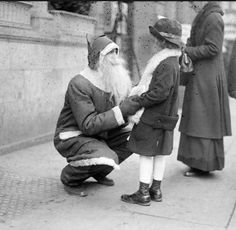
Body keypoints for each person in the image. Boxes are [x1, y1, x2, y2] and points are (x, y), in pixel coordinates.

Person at [53, 34, 141, 196]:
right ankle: (69, 177)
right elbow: (88, 125)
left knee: (136, 137)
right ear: (99, 58)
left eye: (116, 52)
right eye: (110, 54)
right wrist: (122, 111)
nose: (116, 58)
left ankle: (97, 171)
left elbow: (114, 116)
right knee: (106, 155)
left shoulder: (109, 79)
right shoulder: (79, 83)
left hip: (98, 134)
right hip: (73, 136)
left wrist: (129, 113)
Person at [121, 18, 182, 206]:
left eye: (156, 38)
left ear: (163, 41)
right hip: (166, 116)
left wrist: (138, 100)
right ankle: (156, 190)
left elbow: (159, 93)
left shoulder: (164, 63)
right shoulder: (173, 61)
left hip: (153, 116)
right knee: (160, 154)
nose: (154, 41)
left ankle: (143, 193)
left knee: (146, 154)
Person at [177, 1, 232, 177]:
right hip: (201, 74)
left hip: (207, 76)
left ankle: (203, 165)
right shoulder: (204, 17)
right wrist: (186, 45)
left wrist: (190, 50)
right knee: (197, 118)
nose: (192, 5)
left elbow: (213, 48)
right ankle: (197, 163)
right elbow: (198, 41)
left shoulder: (214, 18)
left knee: (203, 120)